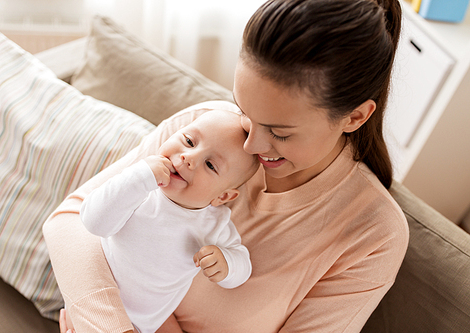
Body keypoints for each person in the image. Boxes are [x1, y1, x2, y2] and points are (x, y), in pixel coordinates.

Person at [43, 0, 410, 332]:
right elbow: (70, 222)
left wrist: (95, 309)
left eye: (279, 132)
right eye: (246, 112)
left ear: (355, 116)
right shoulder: (204, 130)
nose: (251, 145)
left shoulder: (373, 235)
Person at [77, 110, 257, 333]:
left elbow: (243, 266)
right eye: (189, 141)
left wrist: (227, 263)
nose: (188, 158)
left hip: (143, 326)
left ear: (222, 197)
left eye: (210, 165)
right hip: (92, 302)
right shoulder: (139, 186)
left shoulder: (215, 224)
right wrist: (139, 179)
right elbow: (93, 222)